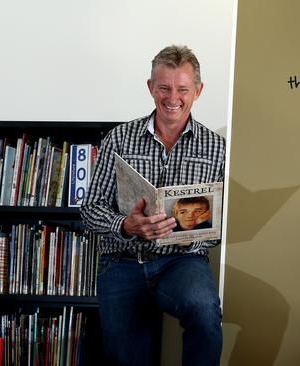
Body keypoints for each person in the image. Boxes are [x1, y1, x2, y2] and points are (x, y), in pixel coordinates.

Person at [80, 45, 225, 366]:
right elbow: (90, 209)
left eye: (183, 89)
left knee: (204, 311)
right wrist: (126, 225)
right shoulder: (119, 138)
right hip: (122, 261)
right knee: (124, 358)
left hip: (181, 262)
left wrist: (184, 232)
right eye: (164, 88)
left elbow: (218, 226)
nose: (173, 97)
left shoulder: (216, 147)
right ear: (150, 88)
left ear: (198, 91)